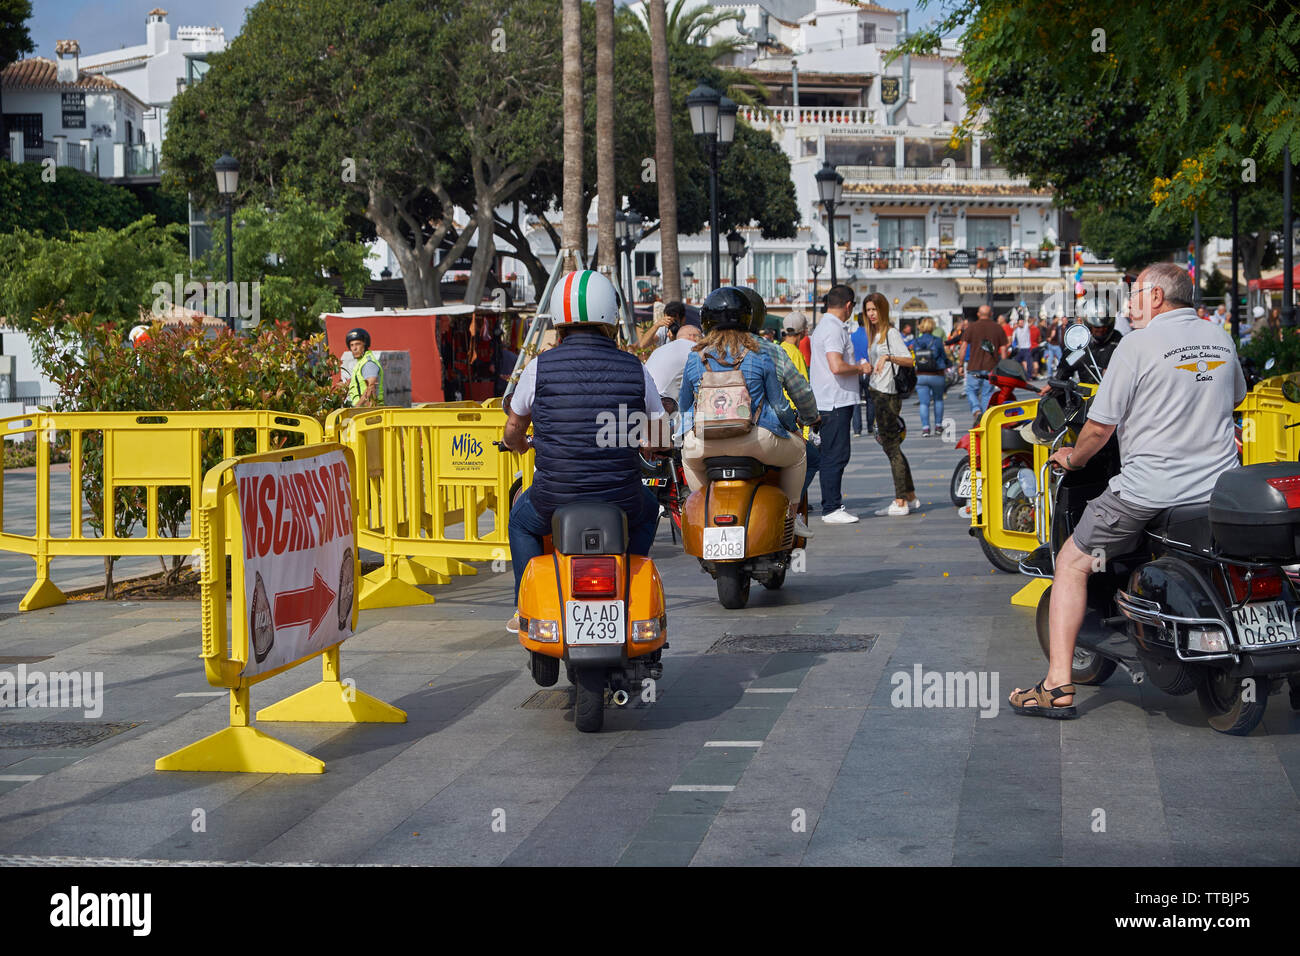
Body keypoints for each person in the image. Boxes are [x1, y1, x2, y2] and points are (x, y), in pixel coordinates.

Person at [1010, 262, 1247, 718]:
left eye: (1135, 294)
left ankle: (1057, 686)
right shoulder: (1219, 336)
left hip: (1148, 493)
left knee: (1072, 562)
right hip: (1216, 492)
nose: (1130, 305)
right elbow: (1235, 397)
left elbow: (1099, 429)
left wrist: (1072, 458)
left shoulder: (1137, 345)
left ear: (1157, 297)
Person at [503, 270, 662, 629]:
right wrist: (647, 444)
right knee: (650, 508)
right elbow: (657, 425)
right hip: (621, 497)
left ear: (558, 319)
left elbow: (514, 427)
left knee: (520, 522)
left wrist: (515, 444)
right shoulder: (634, 367)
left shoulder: (539, 367)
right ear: (612, 316)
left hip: (554, 497)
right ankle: (630, 582)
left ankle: (521, 607)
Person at [678, 287, 812, 537]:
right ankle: (792, 517)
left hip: (705, 442)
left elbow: (684, 406)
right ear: (747, 319)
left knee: (688, 456)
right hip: (756, 441)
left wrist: (682, 436)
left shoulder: (695, 357)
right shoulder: (761, 354)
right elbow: (780, 405)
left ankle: (705, 513)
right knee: (799, 455)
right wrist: (794, 429)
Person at [809, 285, 870, 523]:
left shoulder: (825, 327)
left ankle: (831, 505)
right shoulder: (834, 329)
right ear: (848, 305)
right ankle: (832, 508)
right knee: (835, 455)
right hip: (835, 401)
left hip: (830, 399)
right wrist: (861, 367)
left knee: (831, 454)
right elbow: (836, 365)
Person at [864, 293, 917, 516]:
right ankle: (910, 496)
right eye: (868, 310)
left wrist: (887, 358)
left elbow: (909, 359)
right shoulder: (875, 334)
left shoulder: (891, 333)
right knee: (892, 446)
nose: (871, 314)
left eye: (875, 309)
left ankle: (900, 500)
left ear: (883, 310)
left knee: (891, 447)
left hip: (887, 394)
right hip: (878, 390)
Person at [960, 304, 1008, 426]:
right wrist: (1003, 366)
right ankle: (985, 418)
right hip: (991, 366)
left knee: (970, 390)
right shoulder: (998, 328)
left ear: (978, 314)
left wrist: (960, 364)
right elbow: (1003, 349)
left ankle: (976, 410)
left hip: (973, 366)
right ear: (991, 314)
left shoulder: (971, 328)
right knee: (987, 392)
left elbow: (963, 347)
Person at [645, 322, 702, 409]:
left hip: (645, 402)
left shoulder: (658, 350)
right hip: (663, 407)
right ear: (693, 337)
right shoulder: (695, 349)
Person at [912, 316, 948, 437]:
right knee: (938, 400)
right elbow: (943, 356)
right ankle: (938, 426)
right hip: (937, 374)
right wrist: (948, 364)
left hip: (921, 375)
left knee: (923, 403)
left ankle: (925, 428)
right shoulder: (937, 341)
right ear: (932, 327)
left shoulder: (916, 341)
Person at [344, 328, 384, 407]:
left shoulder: (368, 363)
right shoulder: (361, 362)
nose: (354, 348)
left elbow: (371, 389)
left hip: (368, 411)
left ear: (365, 345)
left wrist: (356, 408)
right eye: (351, 345)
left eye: (358, 344)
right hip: (363, 410)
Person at [850, 312, 873, 436]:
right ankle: (870, 426)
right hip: (869, 369)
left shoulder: (852, 336)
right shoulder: (871, 335)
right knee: (870, 399)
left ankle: (857, 429)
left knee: (856, 401)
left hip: (856, 370)